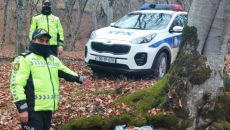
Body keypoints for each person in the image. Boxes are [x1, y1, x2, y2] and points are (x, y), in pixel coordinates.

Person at [10, 28, 91, 130]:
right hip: (32, 110)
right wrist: (22, 109)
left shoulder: (53, 59)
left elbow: (65, 71)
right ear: (33, 41)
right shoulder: (24, 59)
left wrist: (80, 78)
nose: (44, 43)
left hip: (48, 108)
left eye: (47, 41)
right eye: (41, 40)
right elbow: (16, 84)